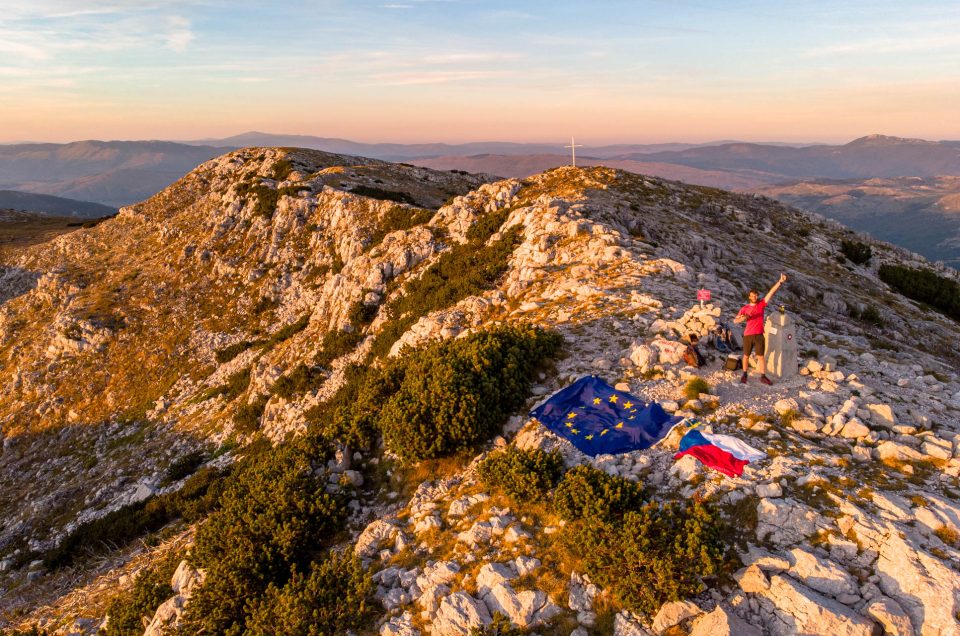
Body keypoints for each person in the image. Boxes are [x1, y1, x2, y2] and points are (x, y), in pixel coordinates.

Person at [733, 273, 787, 385]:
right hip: (748, 335)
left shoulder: (761, 304)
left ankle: (763, 376)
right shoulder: (744, 308)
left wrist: (780, 282)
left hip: (759, 335)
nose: (754, 297)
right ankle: (744, 374)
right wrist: (743, 318)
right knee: (746, 356)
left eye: (756, 295)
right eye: (752, 296)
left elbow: (771, 293)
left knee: (761, 357)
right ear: (749, 296)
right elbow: (735, 321)